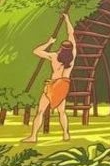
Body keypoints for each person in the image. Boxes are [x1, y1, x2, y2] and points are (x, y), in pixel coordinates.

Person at [22, 12, 76, 143]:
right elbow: (71, 34)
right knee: (61, 112)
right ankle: (66, 134)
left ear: (61, 49)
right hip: (64, 85)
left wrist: (49, 42)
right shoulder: (73, 56)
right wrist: (67, 20)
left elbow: (36, 51)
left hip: (53, 84)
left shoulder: (54, 56)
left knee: (40, 111)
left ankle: (34, 136)